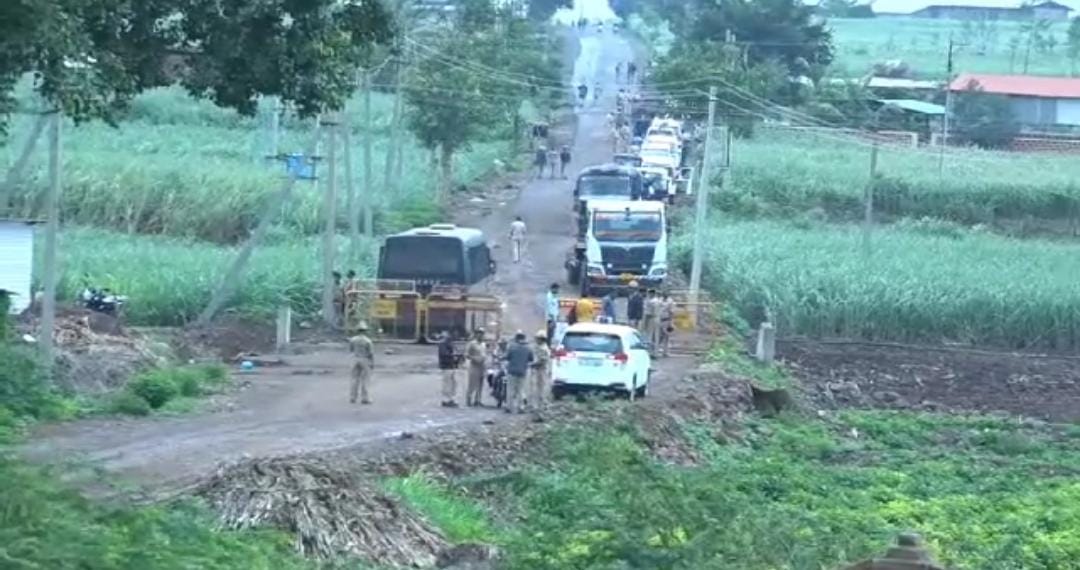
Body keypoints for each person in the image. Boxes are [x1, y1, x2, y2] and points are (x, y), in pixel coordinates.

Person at [503, 331, 534, 414]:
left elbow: (507, 357)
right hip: (522, 371)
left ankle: (509, 407)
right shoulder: (528, 348)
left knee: (510, 389)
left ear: (516, 338)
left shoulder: (512, 347)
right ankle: (521, 407)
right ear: (524, 338)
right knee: (521, 390)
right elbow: (531, 359)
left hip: (512, 371)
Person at [349, 322, 375, 405]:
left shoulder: (353, 340)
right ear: (365, 331)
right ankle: (365, 398)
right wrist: (372, 363)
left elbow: (351, 350)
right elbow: (371, 353)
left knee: (354, 379)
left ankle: (353, 397)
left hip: (355, 359)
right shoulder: (368, 341)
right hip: (365, 359)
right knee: (365, 380)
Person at [465, 328, 488, 407]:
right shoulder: (472, 344)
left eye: (482, 333)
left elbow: (485, 353)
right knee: (472, 383)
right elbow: (466, 354)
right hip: (474, 365)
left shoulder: (483, 344)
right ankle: (469, 399)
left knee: (480, 384)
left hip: (482, 365)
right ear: (476, 334)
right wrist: (474, 358)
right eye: (479, 333)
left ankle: (478, 400)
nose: (480, 335)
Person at [530, 329, 551, 413]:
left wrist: (532, 365)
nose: (536, 340)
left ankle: (542, 406)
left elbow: (542, 361)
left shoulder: (543, 348)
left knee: (541, 389)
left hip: (542, 371)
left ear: (541, 339)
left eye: (537, 338)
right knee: (537, 389)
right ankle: (539, 406)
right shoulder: (540, 347)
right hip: (539, 370)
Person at [437, 332, 459, 408]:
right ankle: (446, 400)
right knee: (447, 384)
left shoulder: (449, 344)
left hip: (451, 366)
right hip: (446, 366)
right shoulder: (443, 344)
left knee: (452, 383)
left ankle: (450, 399)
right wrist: (454, 356)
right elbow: (444, 354)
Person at [642, 289, 662, 353]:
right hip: (657, 318)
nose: (648, 295)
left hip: (652, 318)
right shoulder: (658, 300)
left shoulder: (652, 301)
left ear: (652, 294)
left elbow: (649, 313)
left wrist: (645, 323)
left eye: (649, 293)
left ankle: (650, 351)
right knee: (656, 335)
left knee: (650, 335)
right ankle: (655, 351)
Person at [658, 291, 676, 357]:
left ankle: (665, 352)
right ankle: (655, 350)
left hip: (666, 320)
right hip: (658, 319)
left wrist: (670, 322)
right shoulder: (659, 300)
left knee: (666, 337)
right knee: (658, 336)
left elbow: (672, 312)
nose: (664, 294)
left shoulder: (670, 302)